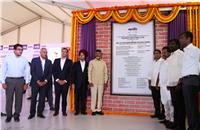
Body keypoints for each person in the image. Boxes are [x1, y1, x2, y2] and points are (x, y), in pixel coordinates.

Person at [1, 44, 30, 122]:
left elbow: (27, 71)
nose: (20, 51)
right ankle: (9, 116)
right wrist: (3, 82)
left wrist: (26, 83)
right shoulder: (8, 58)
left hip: (20, 81)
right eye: (19, 49)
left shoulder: (24, 60)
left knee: (19, 99)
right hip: (9, 80)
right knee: (9, 99)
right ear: (14, 50)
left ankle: (17, 115)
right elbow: (3, 70)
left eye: (21, 50)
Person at [179, 31, 200, 130]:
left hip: (191, 79)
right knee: (188, 106)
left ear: (188, 39)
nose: (180, 40)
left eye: (182, 38)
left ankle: (195, 127)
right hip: (186, 80)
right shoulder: (185, 52)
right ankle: (192, 126)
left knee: (192, 106)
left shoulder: (194, 50)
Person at [28, 48, 52, 119]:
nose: (45, 53)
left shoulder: (49, 62)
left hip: (44, 84)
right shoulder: (34, 60)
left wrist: (45, 81)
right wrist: (37, 81)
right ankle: (32, 113)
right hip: (35, 83)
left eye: (46, 52)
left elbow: (50, 73)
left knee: (42, 99)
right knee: (33, 98)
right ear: (40, 53)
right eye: (44, 52)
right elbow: (32, 72)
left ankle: (40, 113)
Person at [167, 39, 186, 130]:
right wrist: (168, 83)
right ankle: (176, 123)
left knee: (180, 106)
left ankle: (181, 126)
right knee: (175, 105)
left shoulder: (181, 54)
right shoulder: (170, 56)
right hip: (171, 84)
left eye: (173, 44)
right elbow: (170, 71)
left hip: (178, 84)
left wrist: (180, 81)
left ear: (178, 45)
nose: (171, 46)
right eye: (170, 44)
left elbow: (184, 68)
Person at [52, 48, 72, 116]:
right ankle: (56, 111)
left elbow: (70, 73)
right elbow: (53, 71)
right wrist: (57, 80)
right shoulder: (56, 60)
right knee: (57, 97)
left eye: (65, 52)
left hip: (65, 83)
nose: (64, 53)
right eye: (62, 52)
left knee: (64, 98)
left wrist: (65, 81)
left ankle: (64, 111)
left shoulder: (70, 62)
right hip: (57, 83)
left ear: (67, 53)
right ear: (61, 52)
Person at [88, 49, 108, 115]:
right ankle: (93, 110)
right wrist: (89, 81)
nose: (98, 54)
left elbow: (106, 73)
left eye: (99, 53)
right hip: (93, 82)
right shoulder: (91, 62)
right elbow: (89, 72)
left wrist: (105, 82)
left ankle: (99, 109)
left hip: (101, 82)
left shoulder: (103, 63)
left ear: (101, 54)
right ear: (95, 54)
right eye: (96, 53)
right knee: (94, 96)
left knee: (100, 96)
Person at [159, 46, 175, 129]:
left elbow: (171, 74)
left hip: (169, 86)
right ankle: (167, 118)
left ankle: (172, 121)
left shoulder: (171, 61)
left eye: (165, 52)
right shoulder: (162, 62)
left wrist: (169, 84)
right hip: (162, 87)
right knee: (165, 103)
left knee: (171, 104)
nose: (163, 54)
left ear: (169, 53)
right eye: (162, 53)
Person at [148, 49, 165, 120]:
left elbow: (161, 74)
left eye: (157, 53)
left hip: (159, 85)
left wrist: (158, 84)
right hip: (153, 84)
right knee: (156, 100)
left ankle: (163, 115)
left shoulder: (162, 62)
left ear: (160, 54)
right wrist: (149, 83)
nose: (156, 55)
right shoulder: (153, 62)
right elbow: (150, 74)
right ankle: (157, 113)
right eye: (154, 53)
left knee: (162, 100)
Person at [72, 49, 89, 115]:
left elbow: (89, 75)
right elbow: (72, 74)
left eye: (83, 55)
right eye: (80, 55)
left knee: (84, 98)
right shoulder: (75, 64)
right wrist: (73, 83)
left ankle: (83, 110)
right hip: (77, 84)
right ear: (79, 56)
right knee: (77, 98)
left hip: (85, 84)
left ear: (85, 56)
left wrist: (88, 83)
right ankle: (76, 110)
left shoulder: (88, 64)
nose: (81, 56)